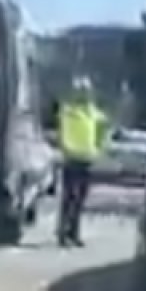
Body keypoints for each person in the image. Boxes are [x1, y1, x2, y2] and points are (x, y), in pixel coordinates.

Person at [56, 77, 107, 247]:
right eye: (80, 91)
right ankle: (63, 233)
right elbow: (61, 127)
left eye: (86, 91)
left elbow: (103, 127)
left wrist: (100, 147)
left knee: (80, 200)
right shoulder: (68, 109)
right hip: (71, 158)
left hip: (87, 159)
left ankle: (74, 233)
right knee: (69, 198)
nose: (84, 94)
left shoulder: (92, 111)